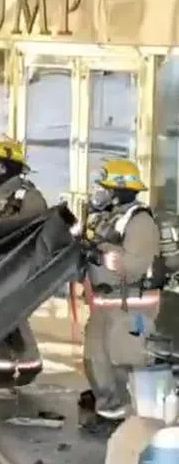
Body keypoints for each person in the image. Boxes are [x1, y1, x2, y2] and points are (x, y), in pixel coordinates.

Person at [81, 158, 162, 421]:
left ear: (120, 192)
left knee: (124, 361)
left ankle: (131, 421)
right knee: (96, 360)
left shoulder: (140, 221)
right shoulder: (109, 218)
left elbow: (134, 265)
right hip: (106, 303)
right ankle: (109, 412)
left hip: (130, 305)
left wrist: (100, 254)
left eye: (106, 188)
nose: (100, 193)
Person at [0, 137, 48, 388]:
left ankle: (29, 363)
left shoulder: (28, 196)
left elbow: (36, 233)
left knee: (12, 314)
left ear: (9, 167)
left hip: (16, 266)